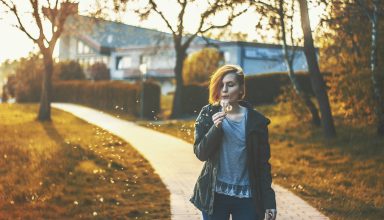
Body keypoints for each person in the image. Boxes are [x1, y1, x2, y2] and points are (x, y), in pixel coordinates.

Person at [190, 64, 277, 220]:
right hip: (214, 194)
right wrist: (215, 129)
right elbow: (201, 153)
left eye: (230, 85)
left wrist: (269, 202)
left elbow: (263, 165)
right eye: (220, 85)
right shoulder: (208, 114)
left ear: (241, 89)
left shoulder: (256, 122)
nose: (224, 90)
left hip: (248, 197)